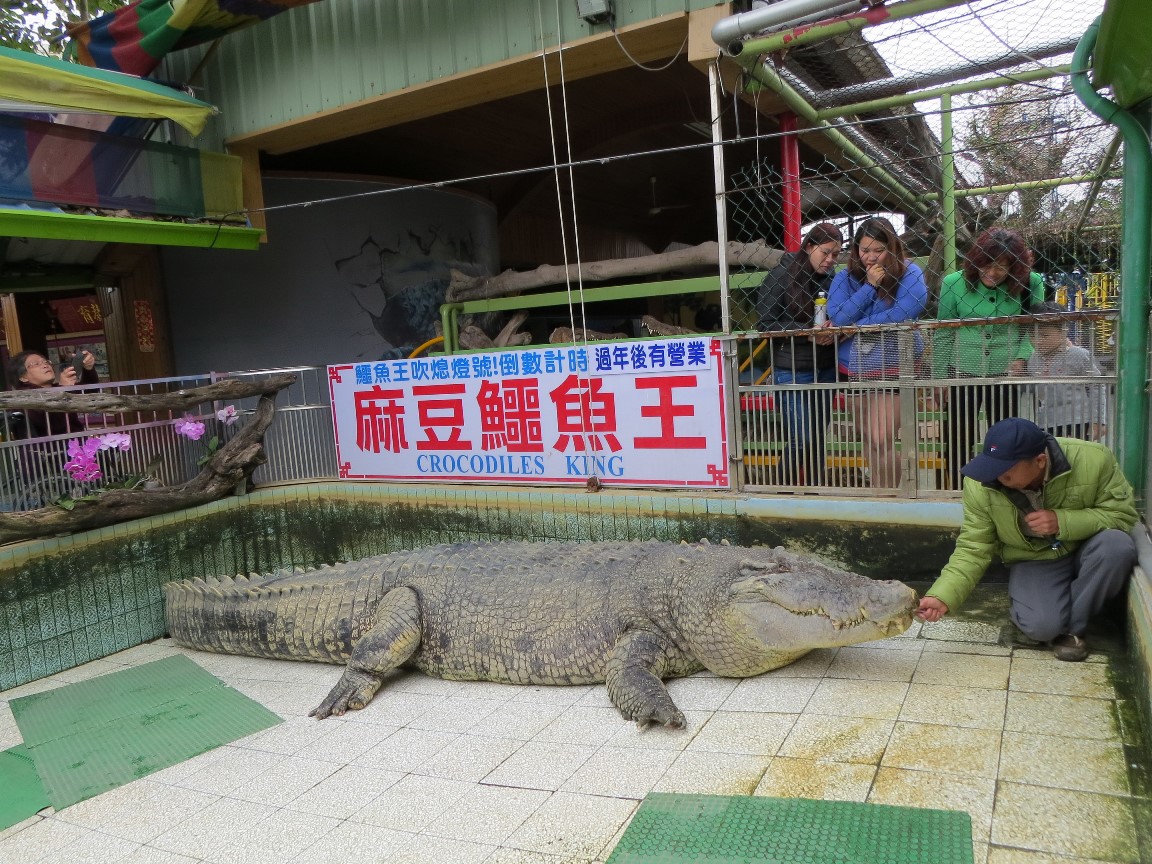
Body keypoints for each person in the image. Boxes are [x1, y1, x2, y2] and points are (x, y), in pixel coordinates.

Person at [915, 417, 1137, 662]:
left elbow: (1122, 516)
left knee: (1117, 545)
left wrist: (1062, 521)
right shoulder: (980, 484)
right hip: (1035, 558)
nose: (996, 476)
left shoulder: (1094, 459)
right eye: (992, 466)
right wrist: (942, 596)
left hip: (1088, 547)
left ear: (1040, 461)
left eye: (1006, 471)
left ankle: (1074, 630)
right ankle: (1060, 602)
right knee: (1041, 627)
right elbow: (973, 547)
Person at [932, 228, 1046, 489]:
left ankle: (1003, 488)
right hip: (962, 367)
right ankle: (960, 489)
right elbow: (943, 332)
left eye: (1002, 267)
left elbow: (1034, 325)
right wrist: (939, 377)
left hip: (1005, 369)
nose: (992, 273)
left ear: (1015, 268)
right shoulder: (953, 283)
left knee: (1004, 435)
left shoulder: (1031, 283)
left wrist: (1022, 357)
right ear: (976, 260)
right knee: (958, 433)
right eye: (987, 265)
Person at [827, 218, 928, 489]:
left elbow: (906, 310)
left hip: (895, 362)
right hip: (854, 366)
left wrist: (856, 327)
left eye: (878, 250)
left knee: (881, 436)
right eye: (864, 250)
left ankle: (892, 496)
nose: (870, 257)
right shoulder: (844, 277)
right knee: (869, 439)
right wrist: (869, 286)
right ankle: (880, 493)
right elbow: (838, 316)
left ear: (892, 247)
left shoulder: (910, 271)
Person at [756, 222, 844, 486]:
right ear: (808, 247)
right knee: (800, 439)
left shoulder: (833, 279)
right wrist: (805, 330)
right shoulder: (781, 275)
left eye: (836, 255)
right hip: (792, 367)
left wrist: (834, 329)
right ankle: (780, 493)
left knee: (817, 438)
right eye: (825, 252)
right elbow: (765, 323)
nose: (830, 260)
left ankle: (816, 493)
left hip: (826, 366)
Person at [1026, 302, 1106, 441]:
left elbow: (1096, 386)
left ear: (1063, 331)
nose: (1037, 341)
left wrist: (1099, 420)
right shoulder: (1033, 359)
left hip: (1077, 421)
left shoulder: (1079, 355)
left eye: (1044, 336)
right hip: (1046, 422)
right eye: (1032, 335)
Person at [8, 349, 99, 438]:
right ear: (23, 377)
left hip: (76, 446)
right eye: (36, 364)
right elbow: (53, 424)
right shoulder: (23, 397)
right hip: (51, 450)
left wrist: (88, 369)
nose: (45, 365)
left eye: (46, 362)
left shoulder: (56, 387)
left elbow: (89, 394)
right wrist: (63, 389)